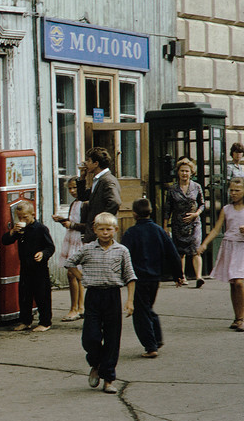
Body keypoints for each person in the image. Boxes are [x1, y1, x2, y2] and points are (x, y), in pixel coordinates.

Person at [64, 213, 136, 395]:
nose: (105, 233)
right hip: (93, 296)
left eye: (109, 229)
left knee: (112, 338)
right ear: (95, 230)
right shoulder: (88, 249)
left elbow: (130, 276)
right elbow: (70, 263)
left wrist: (130, 300)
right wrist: (82, 278)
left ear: (116, 230)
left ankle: (109, 379)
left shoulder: (122, 251)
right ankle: (95, 363)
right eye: (101, 229)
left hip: (112, 296)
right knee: (91, 337)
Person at [121, 197, 187, 358]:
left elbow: (123, 256)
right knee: (147, 307)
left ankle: (151, 346)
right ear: (150, 212)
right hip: (154, 278)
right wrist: (178, 274)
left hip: (138, 278)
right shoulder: (159, 231)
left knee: (141, 312)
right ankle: (156, 338)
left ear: (134, 214)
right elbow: (172, 253)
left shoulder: (131, 233)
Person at [198, 177, 244, 331]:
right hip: (230, 246)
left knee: (239, 282)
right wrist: (204, 244)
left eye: (237, 190)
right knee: (234, 284)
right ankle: (237, 317)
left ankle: (242, 318)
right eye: (231, 190)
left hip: (242, 247)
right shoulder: (226, 209)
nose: (234, 193)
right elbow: (216, 229)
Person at [2, 200, 54, 332]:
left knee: (42, 295)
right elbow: (5, 241)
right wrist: (13, 231)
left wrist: (43, 254)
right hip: (25, 267)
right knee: (25, 295)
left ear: (33, 214)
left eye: (25, 217)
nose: (22, 220)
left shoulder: (41, 229)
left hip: (40, 268)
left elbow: (50, 247)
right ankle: (25, 321)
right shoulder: (20, 230)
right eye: (19, 217)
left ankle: (45, 322)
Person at [164, 157, 206, 288]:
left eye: (187, 171)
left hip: (194, 223)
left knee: (195, 249)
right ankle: (182, 276)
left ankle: (199, 276)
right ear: (178, 172)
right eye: (182, 171)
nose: (184, 174)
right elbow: (167, 208)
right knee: (180, 251)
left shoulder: (196, 187)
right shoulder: (172, 189)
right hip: (178, 223)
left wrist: (196, 214)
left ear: (191, 172)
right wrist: (165, 226)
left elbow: (202, 204)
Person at [70, 147, 122, 244]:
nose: (86, 163)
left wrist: (102, 221)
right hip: (94, 232)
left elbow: (115, 202)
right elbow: (83, 197)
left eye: (88, 161)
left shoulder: (107, 180)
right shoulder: (98, 180)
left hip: (102, 233)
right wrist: (82, 177)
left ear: (96, 163)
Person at [53, 177, 85, 321]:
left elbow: (86, 225)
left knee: (73, 273)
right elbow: (71, 221)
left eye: (75, 188)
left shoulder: (85, 204)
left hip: (79, 239)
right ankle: (79, 307)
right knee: (74, 274)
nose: (72, 191)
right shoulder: (75, 203)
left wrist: (71, 225)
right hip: (71, 238)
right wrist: (62, 220)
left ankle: (76, 308)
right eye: (70, 188)